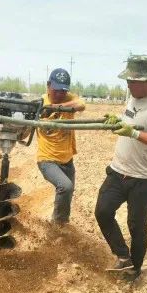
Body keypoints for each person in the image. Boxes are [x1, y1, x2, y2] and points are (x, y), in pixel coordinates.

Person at [96, 55, 147, 282]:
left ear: (146, 80)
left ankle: (134, 269)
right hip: (118, 170)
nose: (127, 85)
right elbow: (130, 119)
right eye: (127, 81)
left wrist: (133, 133)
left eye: (131, 81)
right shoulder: (132, 97)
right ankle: (122, 255)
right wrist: (118, 120)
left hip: (142, 178)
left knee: (136, 225)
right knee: (103, 211)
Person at [36, 68, 86, 224]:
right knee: (66, 187)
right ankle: (57, 225)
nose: (59, 94)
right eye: (56, 90)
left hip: (67, 160)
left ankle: (62, 226)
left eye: (63, 91)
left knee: (68, 193)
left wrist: (57, 107)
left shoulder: (69, 98)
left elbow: (82, 104)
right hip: (47, 159)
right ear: (48, 85)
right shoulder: (40, 103)